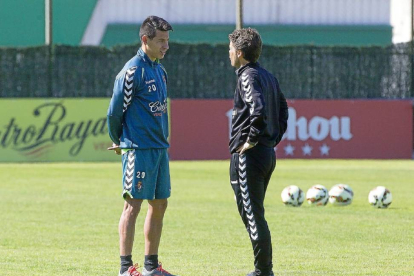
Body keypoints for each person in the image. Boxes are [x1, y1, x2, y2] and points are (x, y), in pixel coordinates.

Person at [107, 15, 177, 276]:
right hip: (138, 149)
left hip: (159, 149)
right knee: (132, 206)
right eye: (161, 41)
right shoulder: (131, 72)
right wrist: (119, 139)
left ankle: (150, 267)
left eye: (168, 41)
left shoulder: (160, 70)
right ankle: (125, 269)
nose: (166, 46)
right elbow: (114, 112)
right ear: (145, 40)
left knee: (160, 204)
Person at [228, 28, 289, 276]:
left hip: (250, 156)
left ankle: (263, 271)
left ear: (240, 53)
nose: (229, 54)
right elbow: (283, 110)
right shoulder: (268, 76)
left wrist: (251, 140)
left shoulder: (247, 76)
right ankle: (263, 269)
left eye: (230, 49)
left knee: (253, 216)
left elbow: (258, 109)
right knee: (255, 213)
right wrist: (273, 139)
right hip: (266, 154)